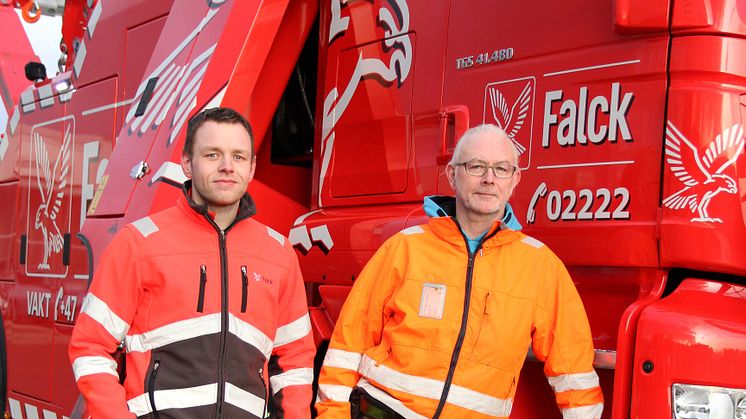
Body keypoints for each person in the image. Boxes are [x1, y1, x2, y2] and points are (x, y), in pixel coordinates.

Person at [315, 124, 603, 418]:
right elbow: (346, 349)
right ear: (452, 174)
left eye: (502, 169)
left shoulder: (541, 268)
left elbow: (574, 375)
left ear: (515, 179)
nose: (489, 179)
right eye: (476, 166)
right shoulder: (403, 249)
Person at [69, 107, 315, 418]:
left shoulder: (279, 253)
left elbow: (295, 362)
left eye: (238, 157)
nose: (227, 166)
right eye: (213, 155)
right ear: (187, 163)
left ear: (252, 168)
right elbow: (90, 347)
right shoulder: (138, 243)